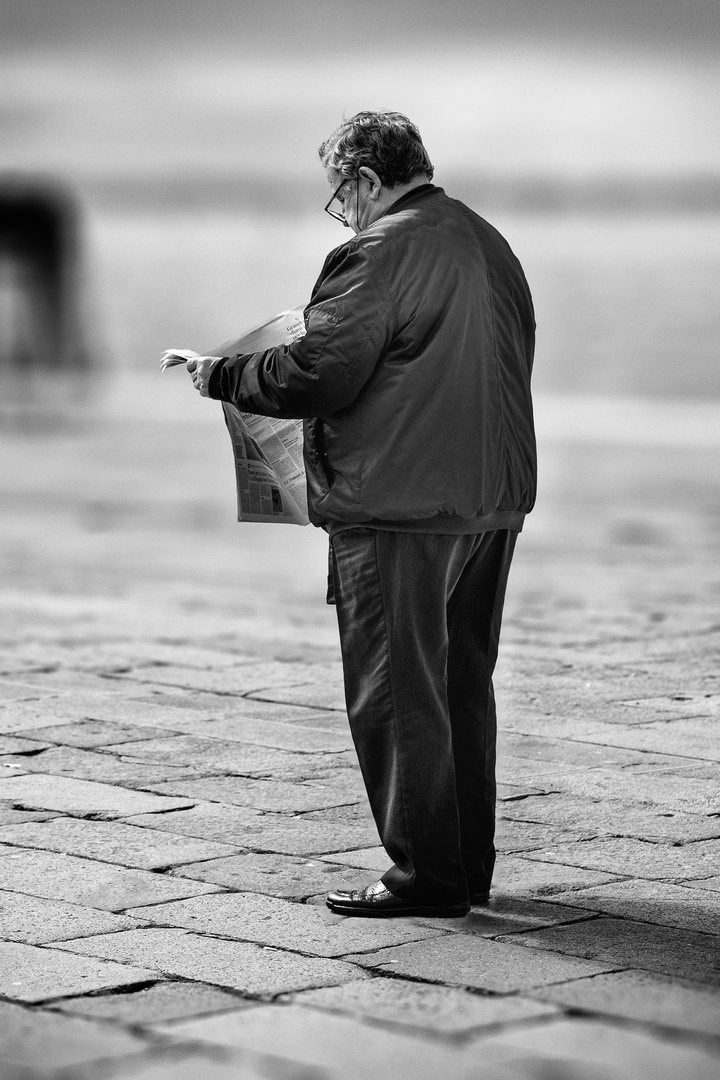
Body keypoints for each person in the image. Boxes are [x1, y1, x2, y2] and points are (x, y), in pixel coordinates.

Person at [186, 111, 536, 918]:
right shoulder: (488, 242)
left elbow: (322, 374)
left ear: (366, 179)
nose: (339, 211)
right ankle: (463, 867)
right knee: (459, 686)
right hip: (492, 499)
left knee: (397, 690)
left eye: (338, 195)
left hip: (398, 503)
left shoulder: (378, 249)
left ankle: (425, 877)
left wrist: (223, 375)